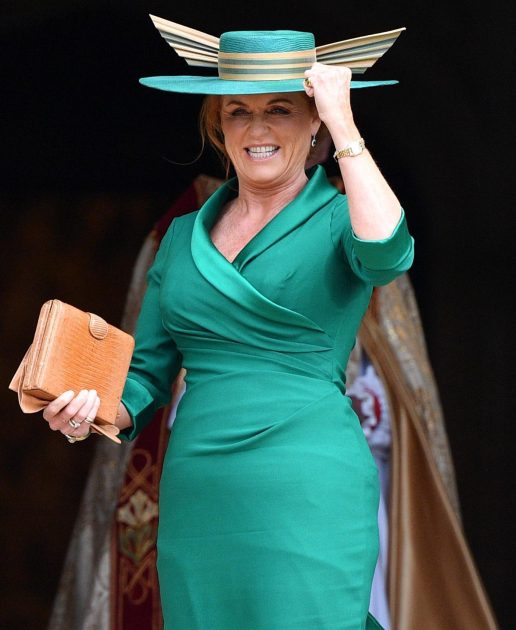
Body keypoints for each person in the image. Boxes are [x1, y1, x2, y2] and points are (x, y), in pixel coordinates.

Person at [36, 17, 413, 630]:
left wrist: (346, 125)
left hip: (308, 484)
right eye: (238, 111)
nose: (258, 128)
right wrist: (87, 410)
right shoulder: (184, 237)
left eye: (281, 110)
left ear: (313, 117)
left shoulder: (342, 215)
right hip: (200, 493)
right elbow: (147, 375)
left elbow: (388, 252)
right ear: (218, 122)